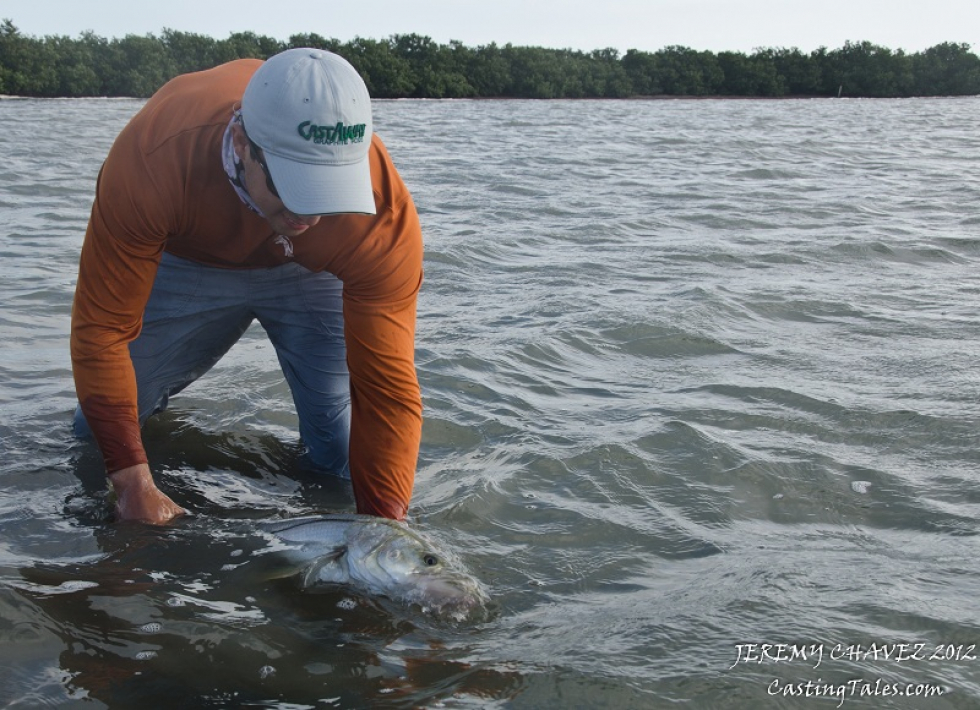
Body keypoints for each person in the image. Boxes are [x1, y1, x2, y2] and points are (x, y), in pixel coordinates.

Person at [71, 48, 423, 524]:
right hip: (192, 255)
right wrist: (132, 483)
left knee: (342, 449)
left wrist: (385, 534)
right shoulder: (153, 156)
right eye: (293, 185)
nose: (311, 216)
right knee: (97, 435)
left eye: (328, 191)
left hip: (311, 270)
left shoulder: (382, 211)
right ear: (240, 142)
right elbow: (101, 333)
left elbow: (387, 392)